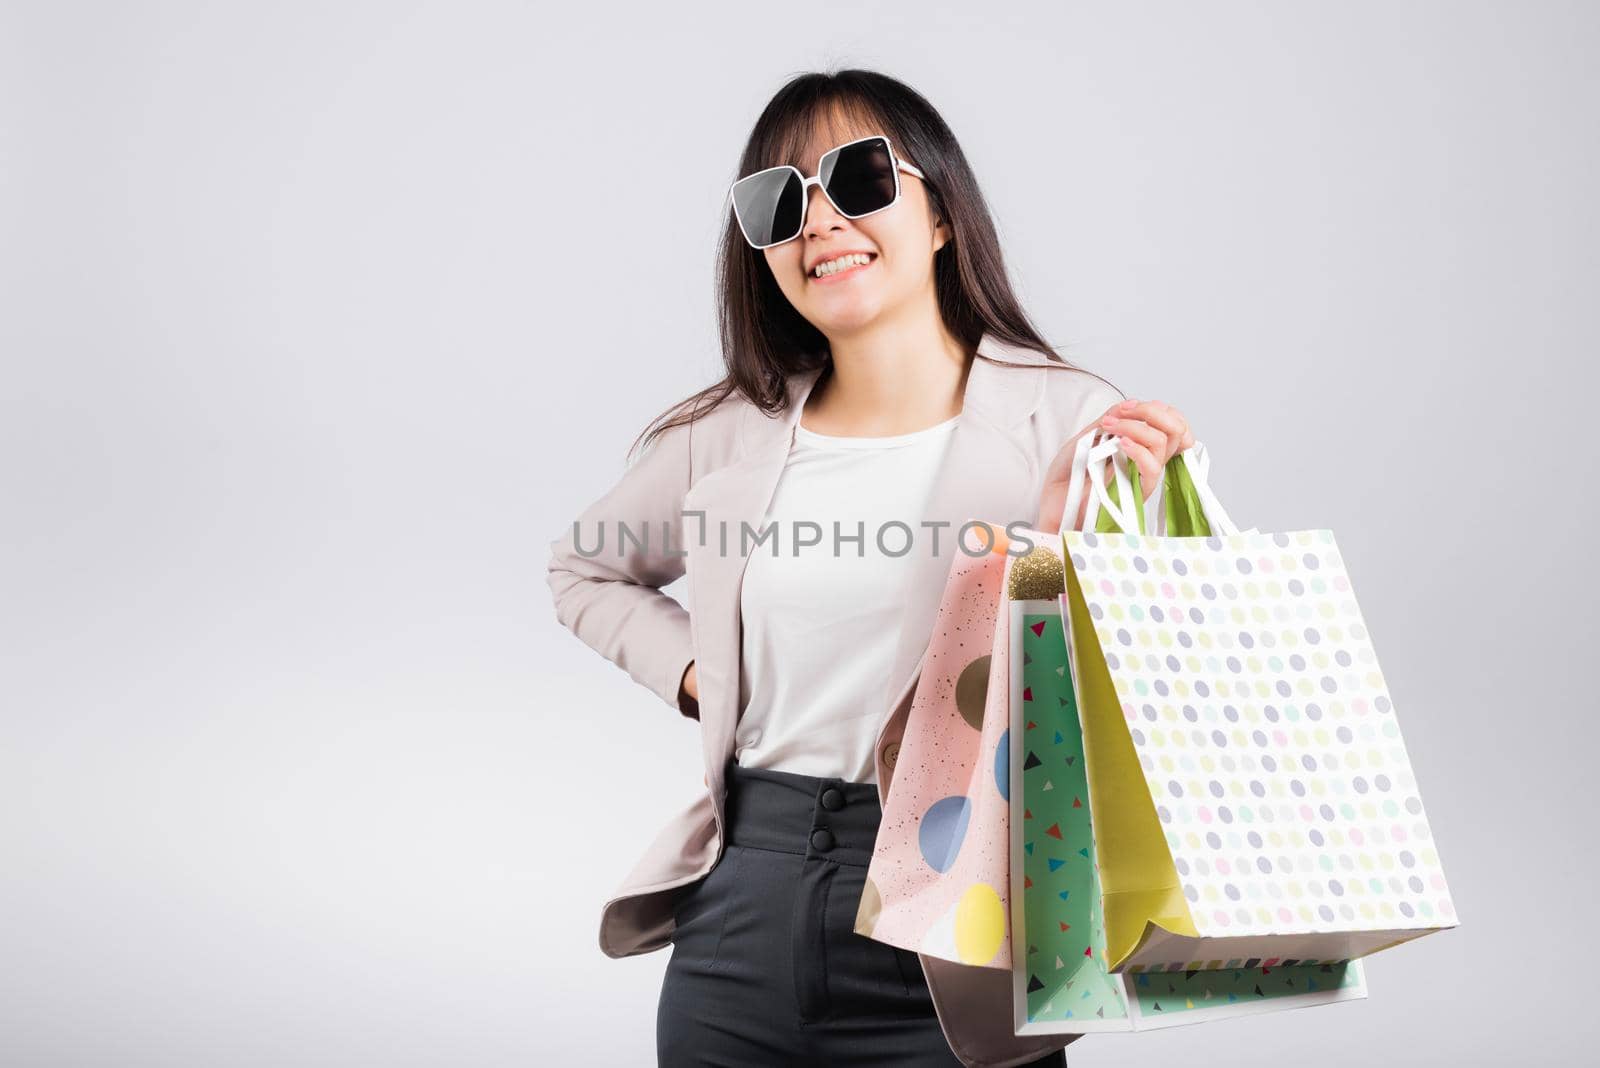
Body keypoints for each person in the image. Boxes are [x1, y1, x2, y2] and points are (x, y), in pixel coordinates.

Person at [547, 68, 1197, 1067]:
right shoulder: (721, 436)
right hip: (743, 916)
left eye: (857, 178)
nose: (819, 221)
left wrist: (1060, 543)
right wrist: (702, 679)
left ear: (941, 213)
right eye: (779, 200)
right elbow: (583, 572)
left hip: (964, 915)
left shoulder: (1067, 420)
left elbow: (1118, 703)